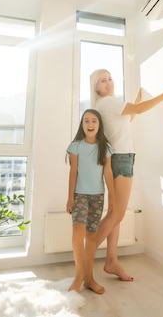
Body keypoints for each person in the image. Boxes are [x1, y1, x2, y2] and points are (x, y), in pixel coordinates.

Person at [90, 68, 163, 282]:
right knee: (117, 214)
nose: (109, 83)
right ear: (96, 87)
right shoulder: (105, 103)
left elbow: (126, 121)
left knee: (115, 214)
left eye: (110, 79)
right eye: (103, 81)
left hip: (118, 158)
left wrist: (136, 101)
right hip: (121, 159)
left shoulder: (107, 105)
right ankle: (86, 255)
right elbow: (137, 111)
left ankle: (111, 261)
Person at [66, 108, 115, 294]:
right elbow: (73, 172)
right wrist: (70, 197)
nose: (90, 124)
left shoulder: (106, 148)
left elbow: (108, 173)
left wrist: (113, 197)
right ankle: (79, 276)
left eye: (94, 121)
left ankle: (89, 279)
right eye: (86, 121)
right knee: (78, 232)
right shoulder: (76, 146)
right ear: (82, 124)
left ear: (99, 125)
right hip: (79, 195)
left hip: (98, 196)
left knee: (92, 237)